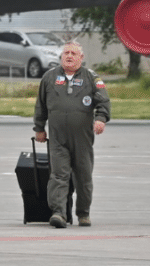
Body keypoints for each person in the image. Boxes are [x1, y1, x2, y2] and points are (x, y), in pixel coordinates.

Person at [33, 41, 110, 228]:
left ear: (81, 58)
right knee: (58, 175)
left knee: (83, 176)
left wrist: (100, 118)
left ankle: (83, 213)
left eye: (73, 53)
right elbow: (40, 105)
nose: (69, 56)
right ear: (61, 57)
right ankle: (58, 213)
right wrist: (39, 128)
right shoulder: (49, 78)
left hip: (82, 138)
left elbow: (103, 102)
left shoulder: (92, 78)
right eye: (66, 53)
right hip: (58, 138)